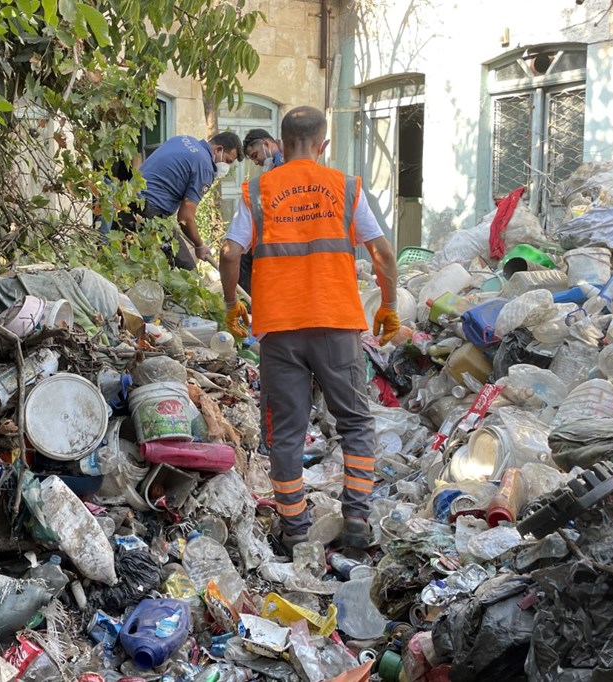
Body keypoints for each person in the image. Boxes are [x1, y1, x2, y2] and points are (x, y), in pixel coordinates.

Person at [218, 106, 400, 554]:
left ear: (281, 141)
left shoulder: (258, 189)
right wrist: (390, 305)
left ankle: (295, 527)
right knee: (355, 421)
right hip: (336, 325)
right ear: (323, 145)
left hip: (280, 330)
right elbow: (383, 253)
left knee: (286, 432)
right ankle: (356, 517)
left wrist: (230, 304)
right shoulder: (346, 187)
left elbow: (228, 253)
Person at [116, 132, 242, 270]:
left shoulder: (184, 139)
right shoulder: (205, 166)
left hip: (126, 205)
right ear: (218, 150)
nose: (227, 167)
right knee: (186, 272)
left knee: (134, 267)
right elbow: (185, 217)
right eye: (228, 161)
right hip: (148, 214)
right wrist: (199, 245)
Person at [236, 128, 285, 294]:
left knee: (242, 254)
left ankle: (250, 306)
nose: (256, 162)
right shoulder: (276, 165)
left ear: (266, 144)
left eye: (255, 155)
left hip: (282, 233)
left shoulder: (283, 162)